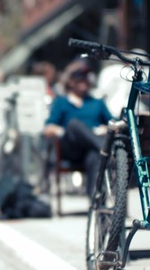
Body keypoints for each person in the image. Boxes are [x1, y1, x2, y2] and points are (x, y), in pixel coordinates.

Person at [44, 58, 113, 198]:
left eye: (86, 78)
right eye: (79, 77)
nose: (83, 81)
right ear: (71, 81)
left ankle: (95, 201)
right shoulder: (61, 102)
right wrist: (62, 131)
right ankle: (104, 149)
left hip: (91, 149)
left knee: (94, 155)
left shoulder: (97, 103)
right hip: (71, 148)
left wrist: (104, 129)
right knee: (74, 124)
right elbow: (48, 129)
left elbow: (113, 124)